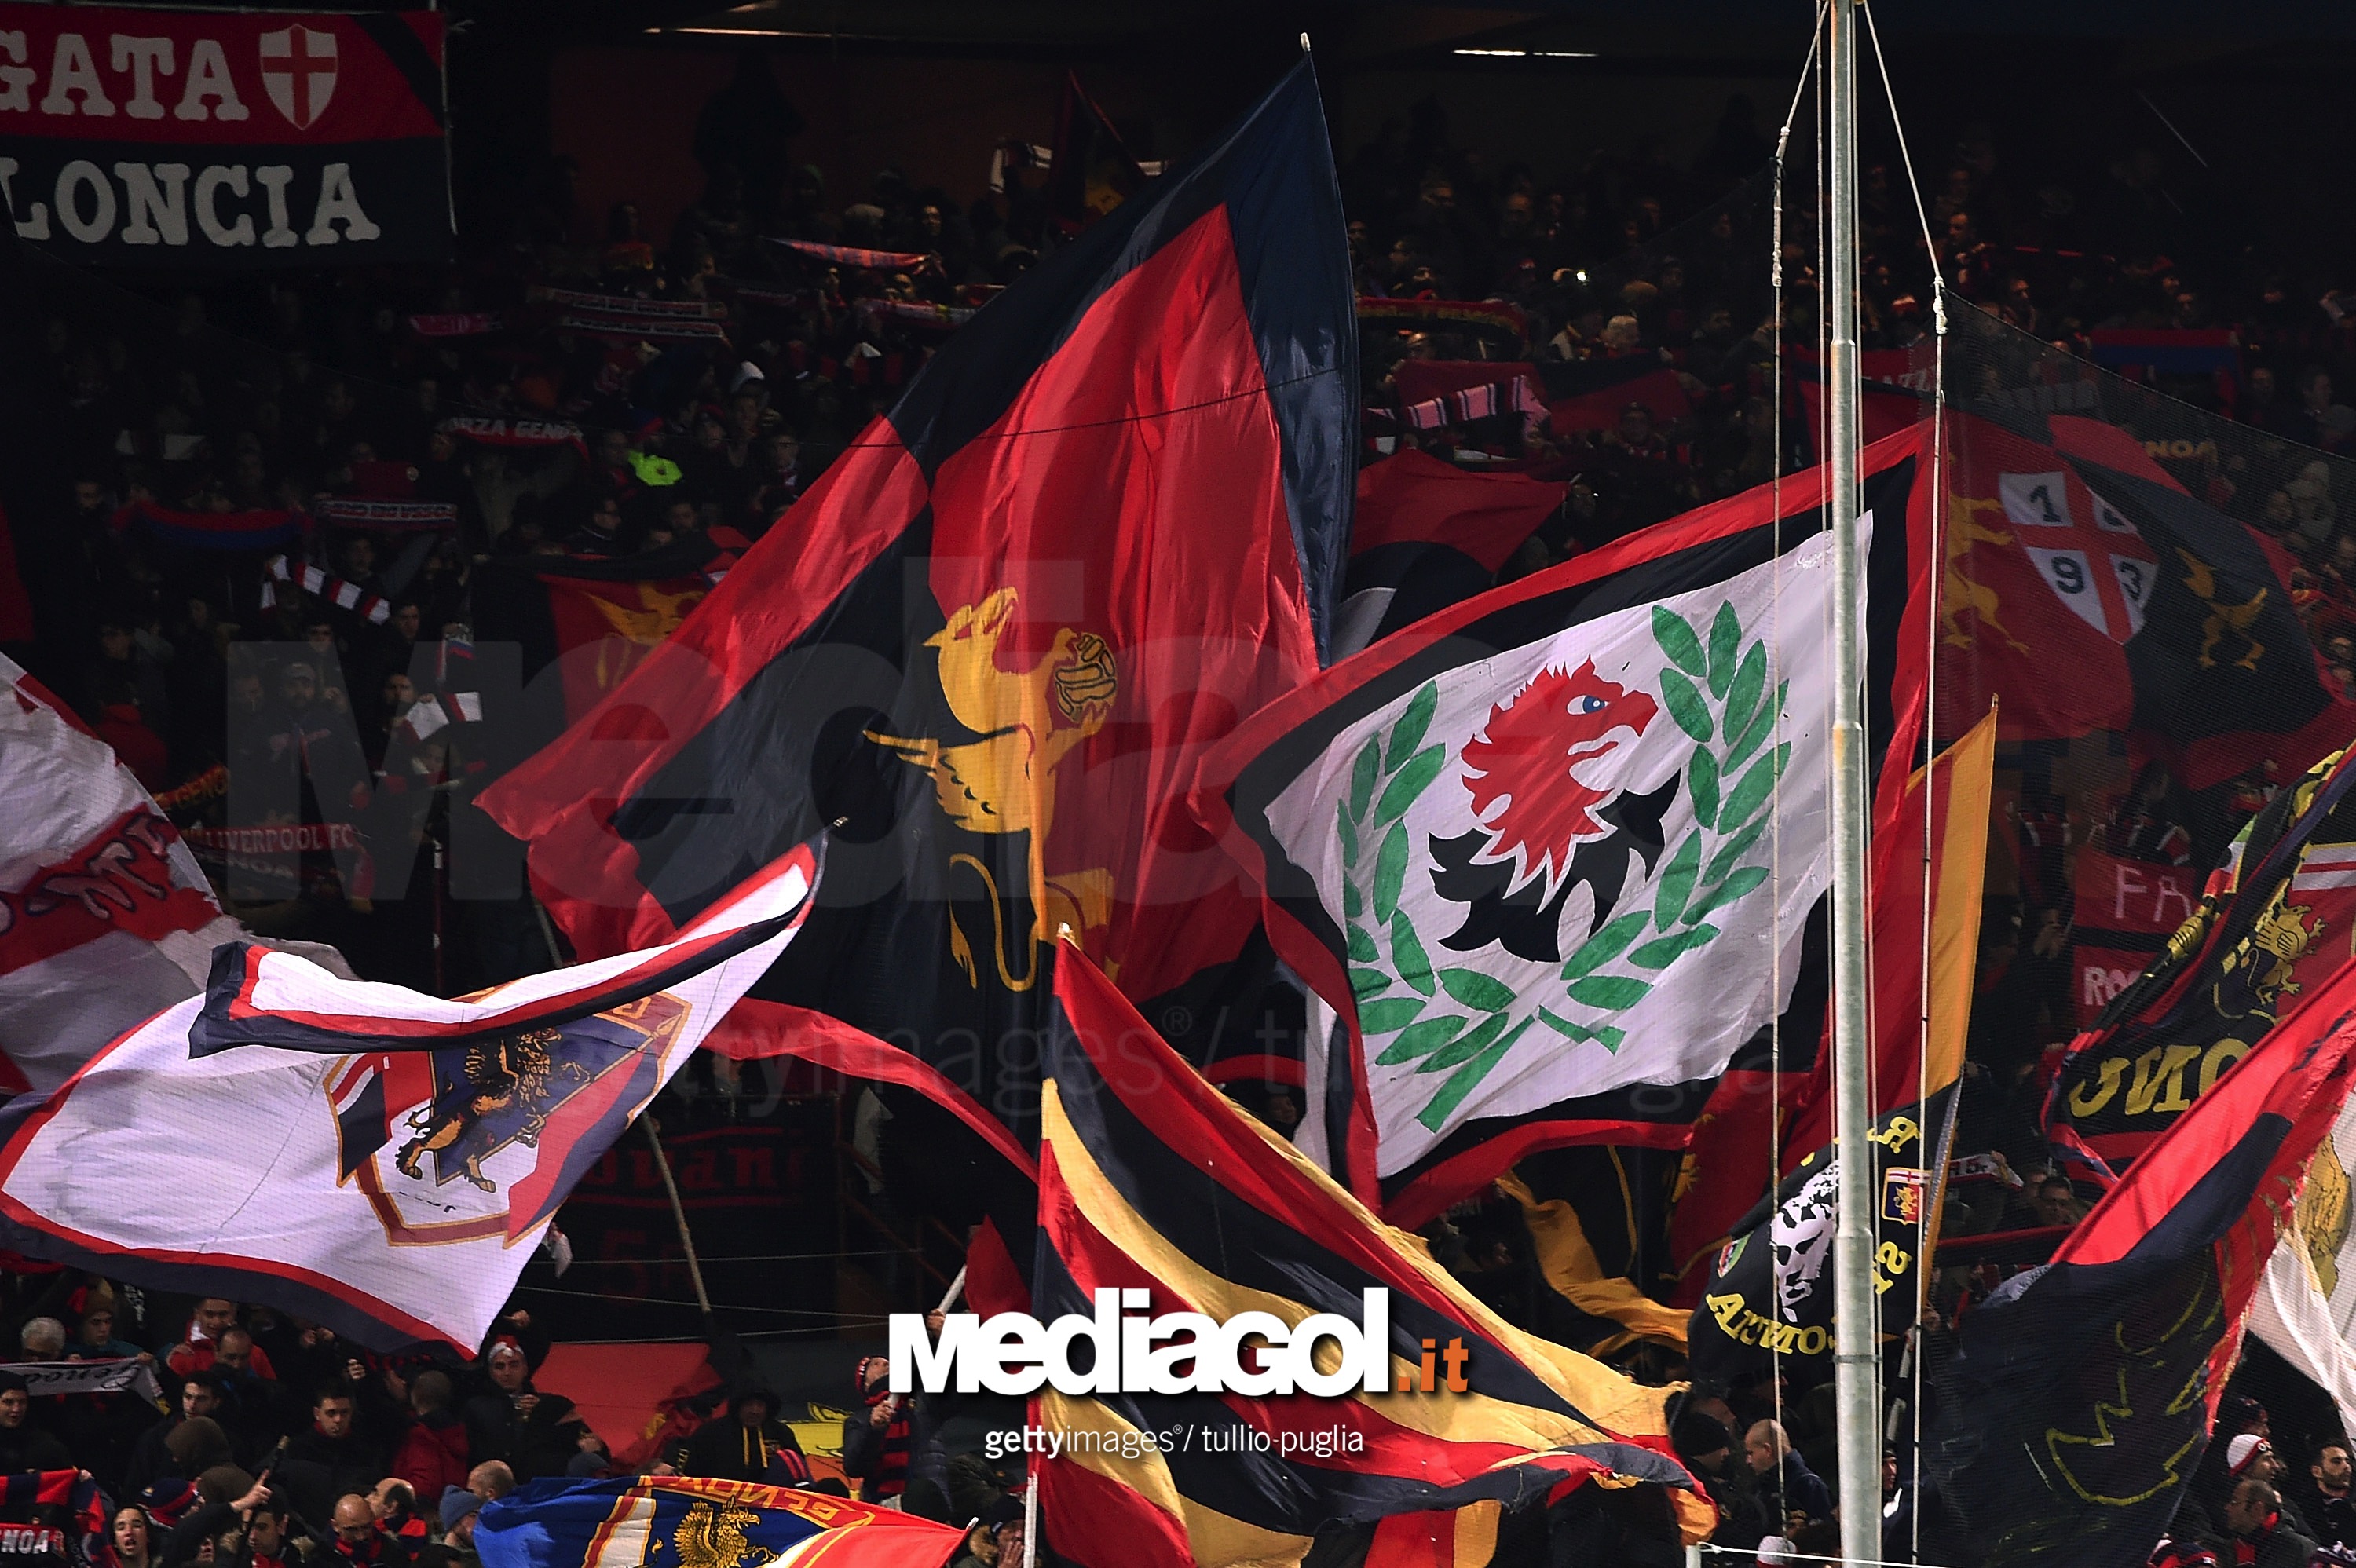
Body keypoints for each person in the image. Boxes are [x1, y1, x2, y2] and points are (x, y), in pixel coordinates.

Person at [459, 1340, 584, 1483]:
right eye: (500, 1367)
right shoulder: (476, 1407)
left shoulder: (549, 1403)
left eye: (514, 1365)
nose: (507, 1372)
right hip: (495, 1483)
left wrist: (544, 1412)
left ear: (525, 1369)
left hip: (543, 1481)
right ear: (491, 1373)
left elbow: (582, 1440)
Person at [281, 1392, 383, 1533]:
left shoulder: (364, 1450)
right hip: (309, 1532)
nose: (338, 1419)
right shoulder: (297, 1450)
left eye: (344, 1412)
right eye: (331, 1413)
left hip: (357, 1530)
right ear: (317, 1413)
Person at [681, 1388, 807, 1485]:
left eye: (760, 1405)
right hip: (719, 1499)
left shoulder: (781, 1432)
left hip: (772, 1502)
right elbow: (692, 1471)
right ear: (738, 1407)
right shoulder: (711, 1432)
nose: (755, 1411)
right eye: (749, 1405)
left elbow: (799, 1470)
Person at [390, 1372, 469, 1504]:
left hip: (426, 1514)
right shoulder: (456, 1430)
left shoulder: (421, 1435)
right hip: (452, 1505)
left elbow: (424, 1487)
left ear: (416, 1395)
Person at [1743, 1420, 1831, 1538]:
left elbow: (1820, 1538)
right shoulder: (1761, 1485)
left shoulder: (1808, 1485)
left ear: (1767, 1450)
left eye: (1751, 1453)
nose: (1748, 1460)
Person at [2205, 1477, 2314, 1568]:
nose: (2227, 1508)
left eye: (2234, 1502)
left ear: (2257, 1509)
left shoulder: (2300, 1549)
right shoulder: (2229, 1549)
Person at [0, 1372, 71, 1472]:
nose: (16, 1409)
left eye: (22, 1402)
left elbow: (67, 1477)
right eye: (8, 1402)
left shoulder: (46, 1446)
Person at [326, 1496, 407, 1568]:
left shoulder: (395, 1551)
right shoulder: (322, 1556)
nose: (361, 1536)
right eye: (351, 1529)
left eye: (366, 1527)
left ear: (373, 1519)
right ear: (335, 1526)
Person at [2311, 1438, 2356, 1548]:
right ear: (2317, 1471)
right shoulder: (2307, 1507)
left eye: (2348, 1461)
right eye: (2337, 1461)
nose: (2347, 1467)